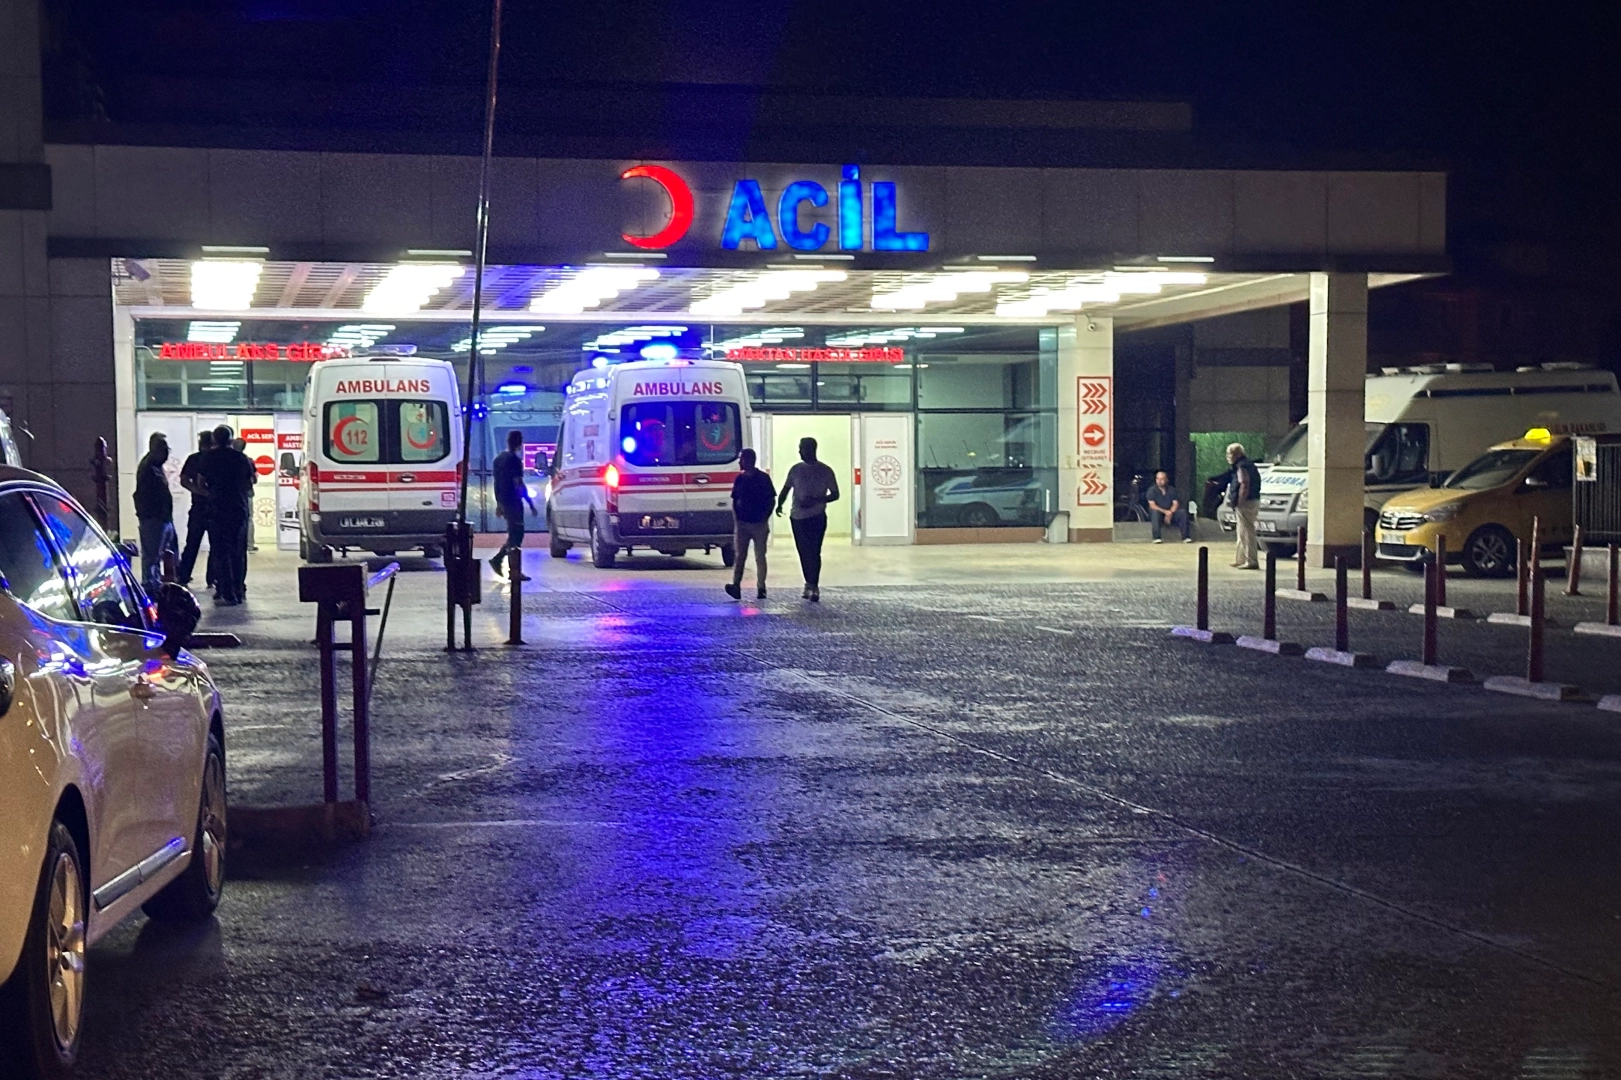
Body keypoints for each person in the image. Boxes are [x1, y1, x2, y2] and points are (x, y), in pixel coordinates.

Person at [774, 436, 839, 602]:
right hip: (798, 517)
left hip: (816, 516)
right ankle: (809, 583)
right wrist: (779, 505)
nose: (799, 451)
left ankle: (813, 584)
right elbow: (786, 489)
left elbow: (835, 494)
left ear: (810, 449)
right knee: (804, 551)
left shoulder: (825, 470)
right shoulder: (796, 469)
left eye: (801, 448)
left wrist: (816, 500)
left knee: (814, 551)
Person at [197, 425, 256, 604]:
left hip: (217, 509)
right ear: (231, 439)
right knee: (237, 551)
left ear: (215, 439)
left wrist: (210, 494)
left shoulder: (208, 458)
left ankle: (225, 590)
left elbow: (200, 482)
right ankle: (238, 589)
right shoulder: (241, 458)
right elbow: (250, 482)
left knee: (220, 551)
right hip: (238, 508)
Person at [724, 447, 776, 601]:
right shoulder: (760, 478)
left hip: (751, 523)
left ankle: (744, 586)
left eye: (741, 459)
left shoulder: (747, 479)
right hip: (751, 523)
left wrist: (739, 520)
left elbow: (736, 501)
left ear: (748, 460)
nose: (740, 462)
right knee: (757, 556)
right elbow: (771, 500)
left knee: (745, 556)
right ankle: (757, 587)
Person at [133, 432, 177, 592]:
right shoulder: (149, 468)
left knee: (157, 554)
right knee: (152, 554)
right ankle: (150, 585)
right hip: (154, 518)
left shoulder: (155, 466)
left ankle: (154, 583)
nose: (166, 453)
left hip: (161, 517)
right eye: (164, 449)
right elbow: (148, 495)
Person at [489, 429, 534, 581]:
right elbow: (518, 484)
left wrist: (498, 503)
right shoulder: (515, 461)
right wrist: (530, 502)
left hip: (504, 501)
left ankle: (505, 563)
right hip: (514, 502)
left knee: (513, 532)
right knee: (517, 533)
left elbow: (497, 483)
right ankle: (507, 565)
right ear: (519, 442)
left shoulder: (498, 459)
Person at [176, 432, 213, 588]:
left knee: (192, 543)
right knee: (215, 545)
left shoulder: (194, 459)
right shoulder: (214, 459)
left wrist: (196, 490)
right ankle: (212, 578)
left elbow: (184, 480)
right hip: (212, 507)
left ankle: (183, 575)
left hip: (198, 506)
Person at [1225, 442, 1263, 569]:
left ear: (1236, 454)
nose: (1227, 457)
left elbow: (1244, 483)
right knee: (1241, 531)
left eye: (1229, 454)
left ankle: (1251, 560)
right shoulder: (1247, 464)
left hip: (1246, 503)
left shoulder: (1242, 466)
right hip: (1251, 500)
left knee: (1247, 531)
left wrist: (1240, 501)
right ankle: (1241, 559)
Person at [1146, 470, 1192, 544]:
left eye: (1162, 479)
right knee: (1155, 513)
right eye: (1158, 479)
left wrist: (1170, 513)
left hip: (1170, 512)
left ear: (1166, 480)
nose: (1159, 481)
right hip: (1159, 513)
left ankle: (1186, 537)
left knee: (1182, 513)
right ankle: (1156, 537)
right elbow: (1152, 505)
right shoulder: (1152, 490)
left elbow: (1175, 503)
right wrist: (1165, 512)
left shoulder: (1172, 490)